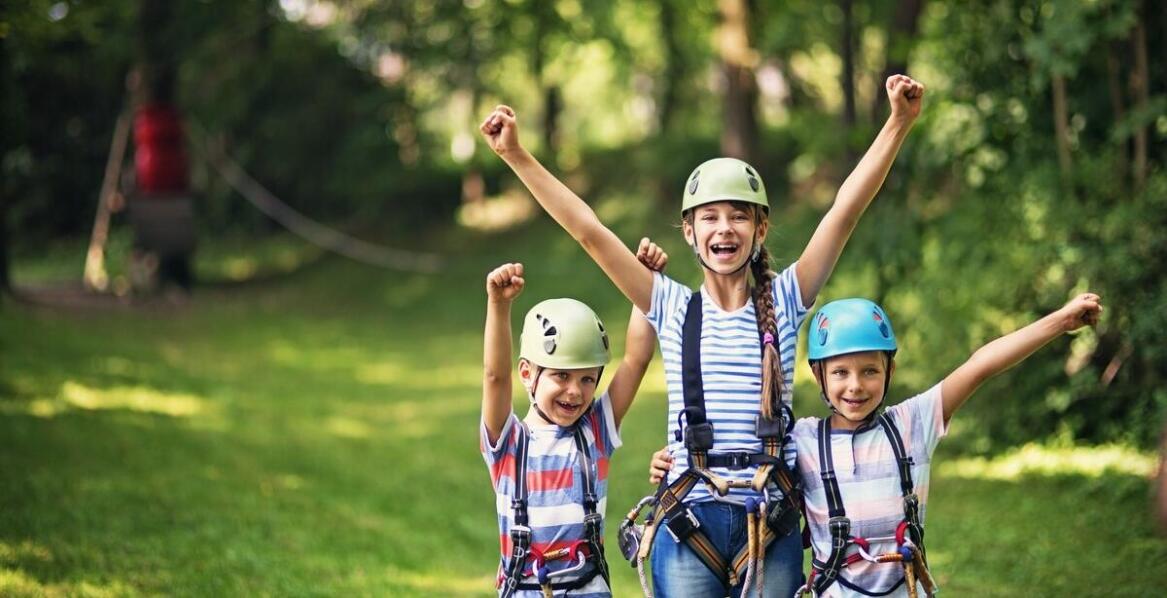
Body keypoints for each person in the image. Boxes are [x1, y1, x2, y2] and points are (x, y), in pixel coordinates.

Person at [481, 75, 924, 597]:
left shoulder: (786, 299)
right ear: (689, 232)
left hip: (770, 521)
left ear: (761, 231)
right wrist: (516, 155)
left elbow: (844, 211)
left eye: (740, 217)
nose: (725, 229)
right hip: (688, 521)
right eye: (710, 217)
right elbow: (589, 231)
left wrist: (898, 123)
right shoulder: (669, 304)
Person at [651, 294, 1104, 596]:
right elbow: (737, 456)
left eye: (870, 371)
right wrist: (668, 465)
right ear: (819, 377)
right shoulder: (803, 440)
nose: (855, 386)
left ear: (889, 372)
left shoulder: (913, 423)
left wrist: (1059, 322)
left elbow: (979, 366)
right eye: (841, 373)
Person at [481, 242, 667, 597]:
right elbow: (495, 377)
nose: (575, 392)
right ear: (527, 373)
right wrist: (499, 306)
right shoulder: (507, 441)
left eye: (587, 379)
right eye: (561, 376)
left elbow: (636, 359)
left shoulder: (596, 431)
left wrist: (647, 282)